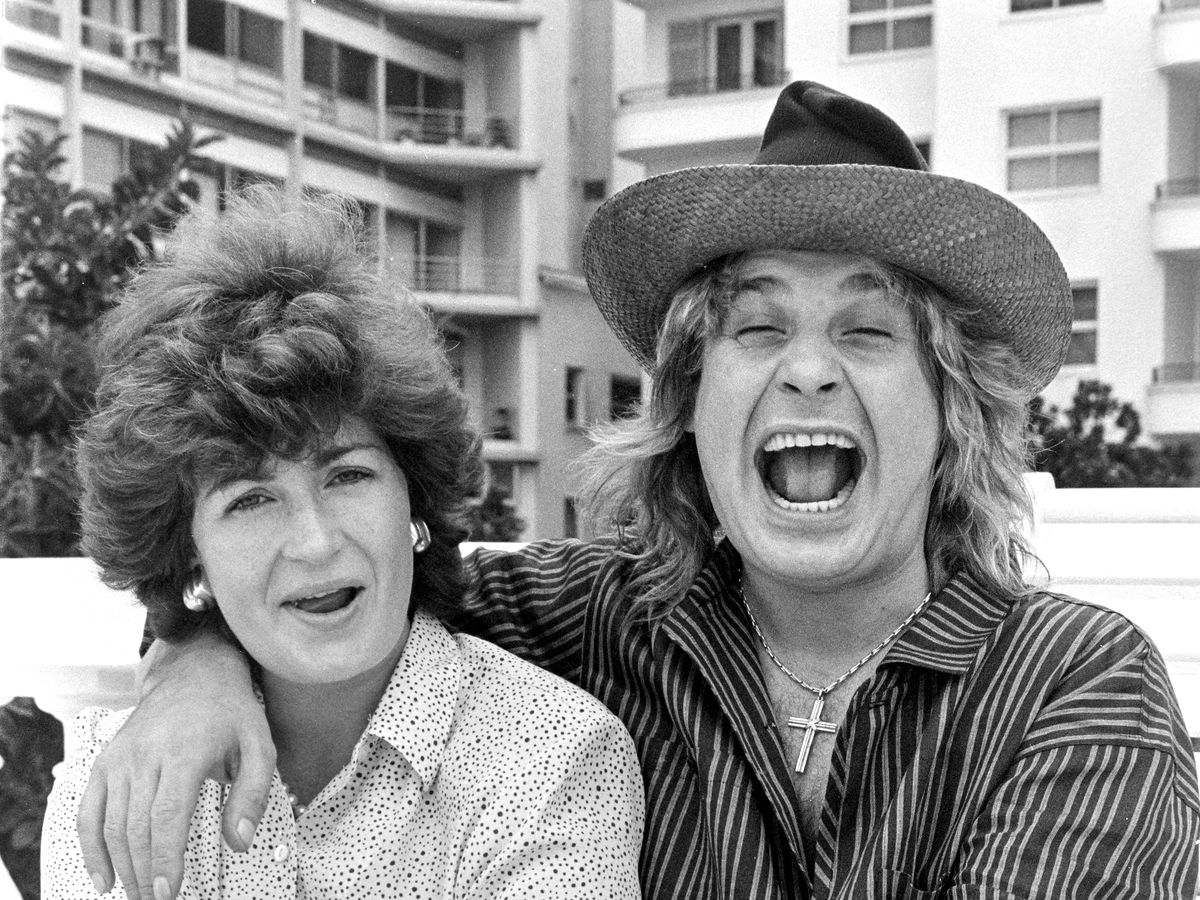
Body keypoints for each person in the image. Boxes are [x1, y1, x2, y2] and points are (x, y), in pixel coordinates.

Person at [74, 82, 1199, 899]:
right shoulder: (594, 618)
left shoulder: (1079, 685)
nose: (809, 370)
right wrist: (195, 661)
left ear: (952, 410)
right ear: (690, 403)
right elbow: (339, 591)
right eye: (757, 328)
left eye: (867, 331)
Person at [42, 188, 643, 899]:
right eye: (250, 499)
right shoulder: (114, 778)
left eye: (348, 475)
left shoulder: (553, 757)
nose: (315, 542)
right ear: (188, 550)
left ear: (413, 496)